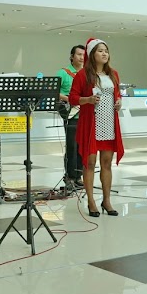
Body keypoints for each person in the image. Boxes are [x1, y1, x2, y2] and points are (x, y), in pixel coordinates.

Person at [69, 38, 124, 217]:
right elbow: (73, 98)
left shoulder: (113, 74)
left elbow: (117, 95)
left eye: (106, 51)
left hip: (109, 122)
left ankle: (106, 200)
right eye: (100, 50)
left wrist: (119, 102)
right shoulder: (83, 75)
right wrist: (88, 100)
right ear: (92, 54)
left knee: (106, 163)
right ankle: (91, 201)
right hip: (91, 124)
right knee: (90, 163)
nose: (104, 53)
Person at [57, 44, 87, 189]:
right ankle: (69, 176)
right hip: (71, 113)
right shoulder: (64, 73)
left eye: (84, 55)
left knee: (83, 147)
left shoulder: (88, 73)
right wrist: (69, 99)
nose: (82, 57)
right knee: (72, 146)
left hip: (85, 114)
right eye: (79, 54)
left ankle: (78, 175)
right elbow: (53, 91)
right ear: (72, 57)